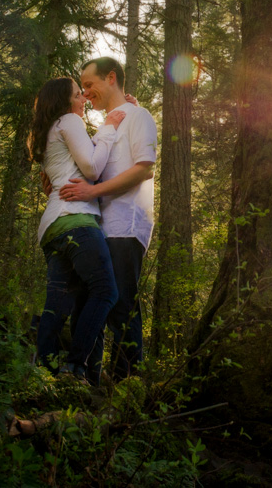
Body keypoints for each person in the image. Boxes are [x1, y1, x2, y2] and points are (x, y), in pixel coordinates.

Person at [55, 56, 157, 382]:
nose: (84, 95)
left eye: (89, 85)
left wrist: (88, 193)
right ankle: (87, 383)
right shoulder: (109, 123)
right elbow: (90, 168)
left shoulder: (138, 116)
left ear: (111, 78)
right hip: (99, 227)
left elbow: (144, 169)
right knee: (89, 305)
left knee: (123, 307)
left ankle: (126, 387)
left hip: (126, 226)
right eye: (81, 88)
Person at [28, 76, 126, 384]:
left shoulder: (45, 133)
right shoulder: (69, 121)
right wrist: (109, 126)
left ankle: (43, 370)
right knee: (106, 291)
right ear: (64, 101)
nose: (83, 99)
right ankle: (75, 367)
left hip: (53, 228)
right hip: (76, 219)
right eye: (76, 95)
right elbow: (92, 168)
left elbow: (75, 162)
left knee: (57, 304)